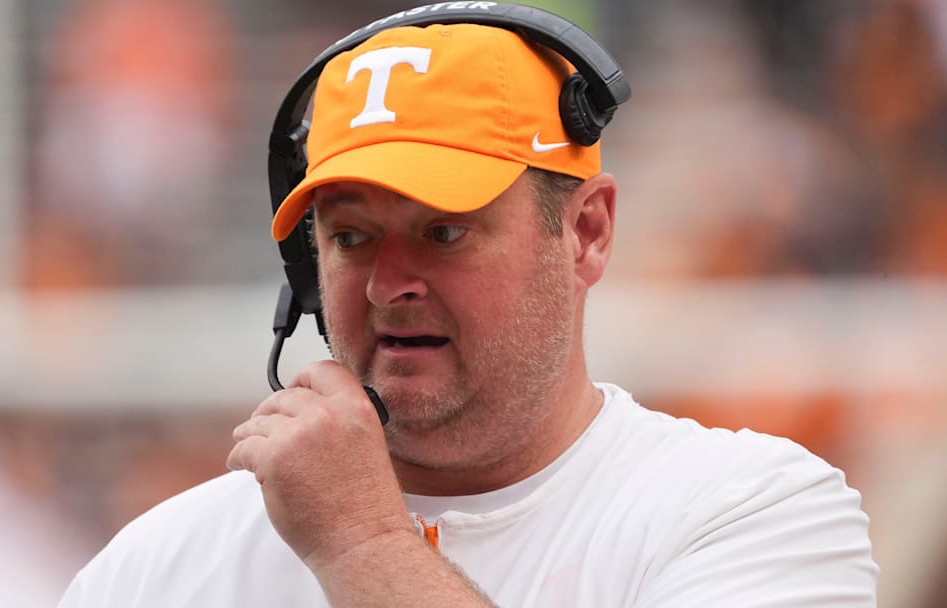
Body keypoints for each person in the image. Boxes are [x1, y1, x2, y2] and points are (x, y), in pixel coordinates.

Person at [58, 10, 879, 608]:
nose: (388, 284)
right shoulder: (159, 566)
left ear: (587, 232)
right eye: (349, 238)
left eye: (444, 231)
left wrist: (366, 547)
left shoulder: (751, 511)